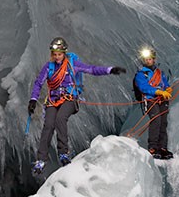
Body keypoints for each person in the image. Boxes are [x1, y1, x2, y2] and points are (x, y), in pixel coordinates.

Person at [28, 37, 126, 174]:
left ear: (64, 53)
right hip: (53, 100)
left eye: (59, 54)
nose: (57, 57)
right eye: (55, 54)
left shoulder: (72, 64)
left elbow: (91, 69)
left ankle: (63, 152)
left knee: (60, 118)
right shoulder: (49, 67)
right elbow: (39, 83)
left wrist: (110, 70)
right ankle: (41, 159)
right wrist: (33, 99)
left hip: (70, 99)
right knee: (48, 125)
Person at [133, 47, 173, 159]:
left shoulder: (160, 73)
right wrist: (157, 91)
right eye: (146, 59)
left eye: (150, 59)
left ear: (154, 59)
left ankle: (163, 147)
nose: (148, 61)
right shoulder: (141, 75)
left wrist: (168, 89)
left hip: (162, 100)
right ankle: (153, 147)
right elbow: (143, 87)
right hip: (151, 100)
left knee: (163, 122)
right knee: (156, 120)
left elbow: (165, 84)